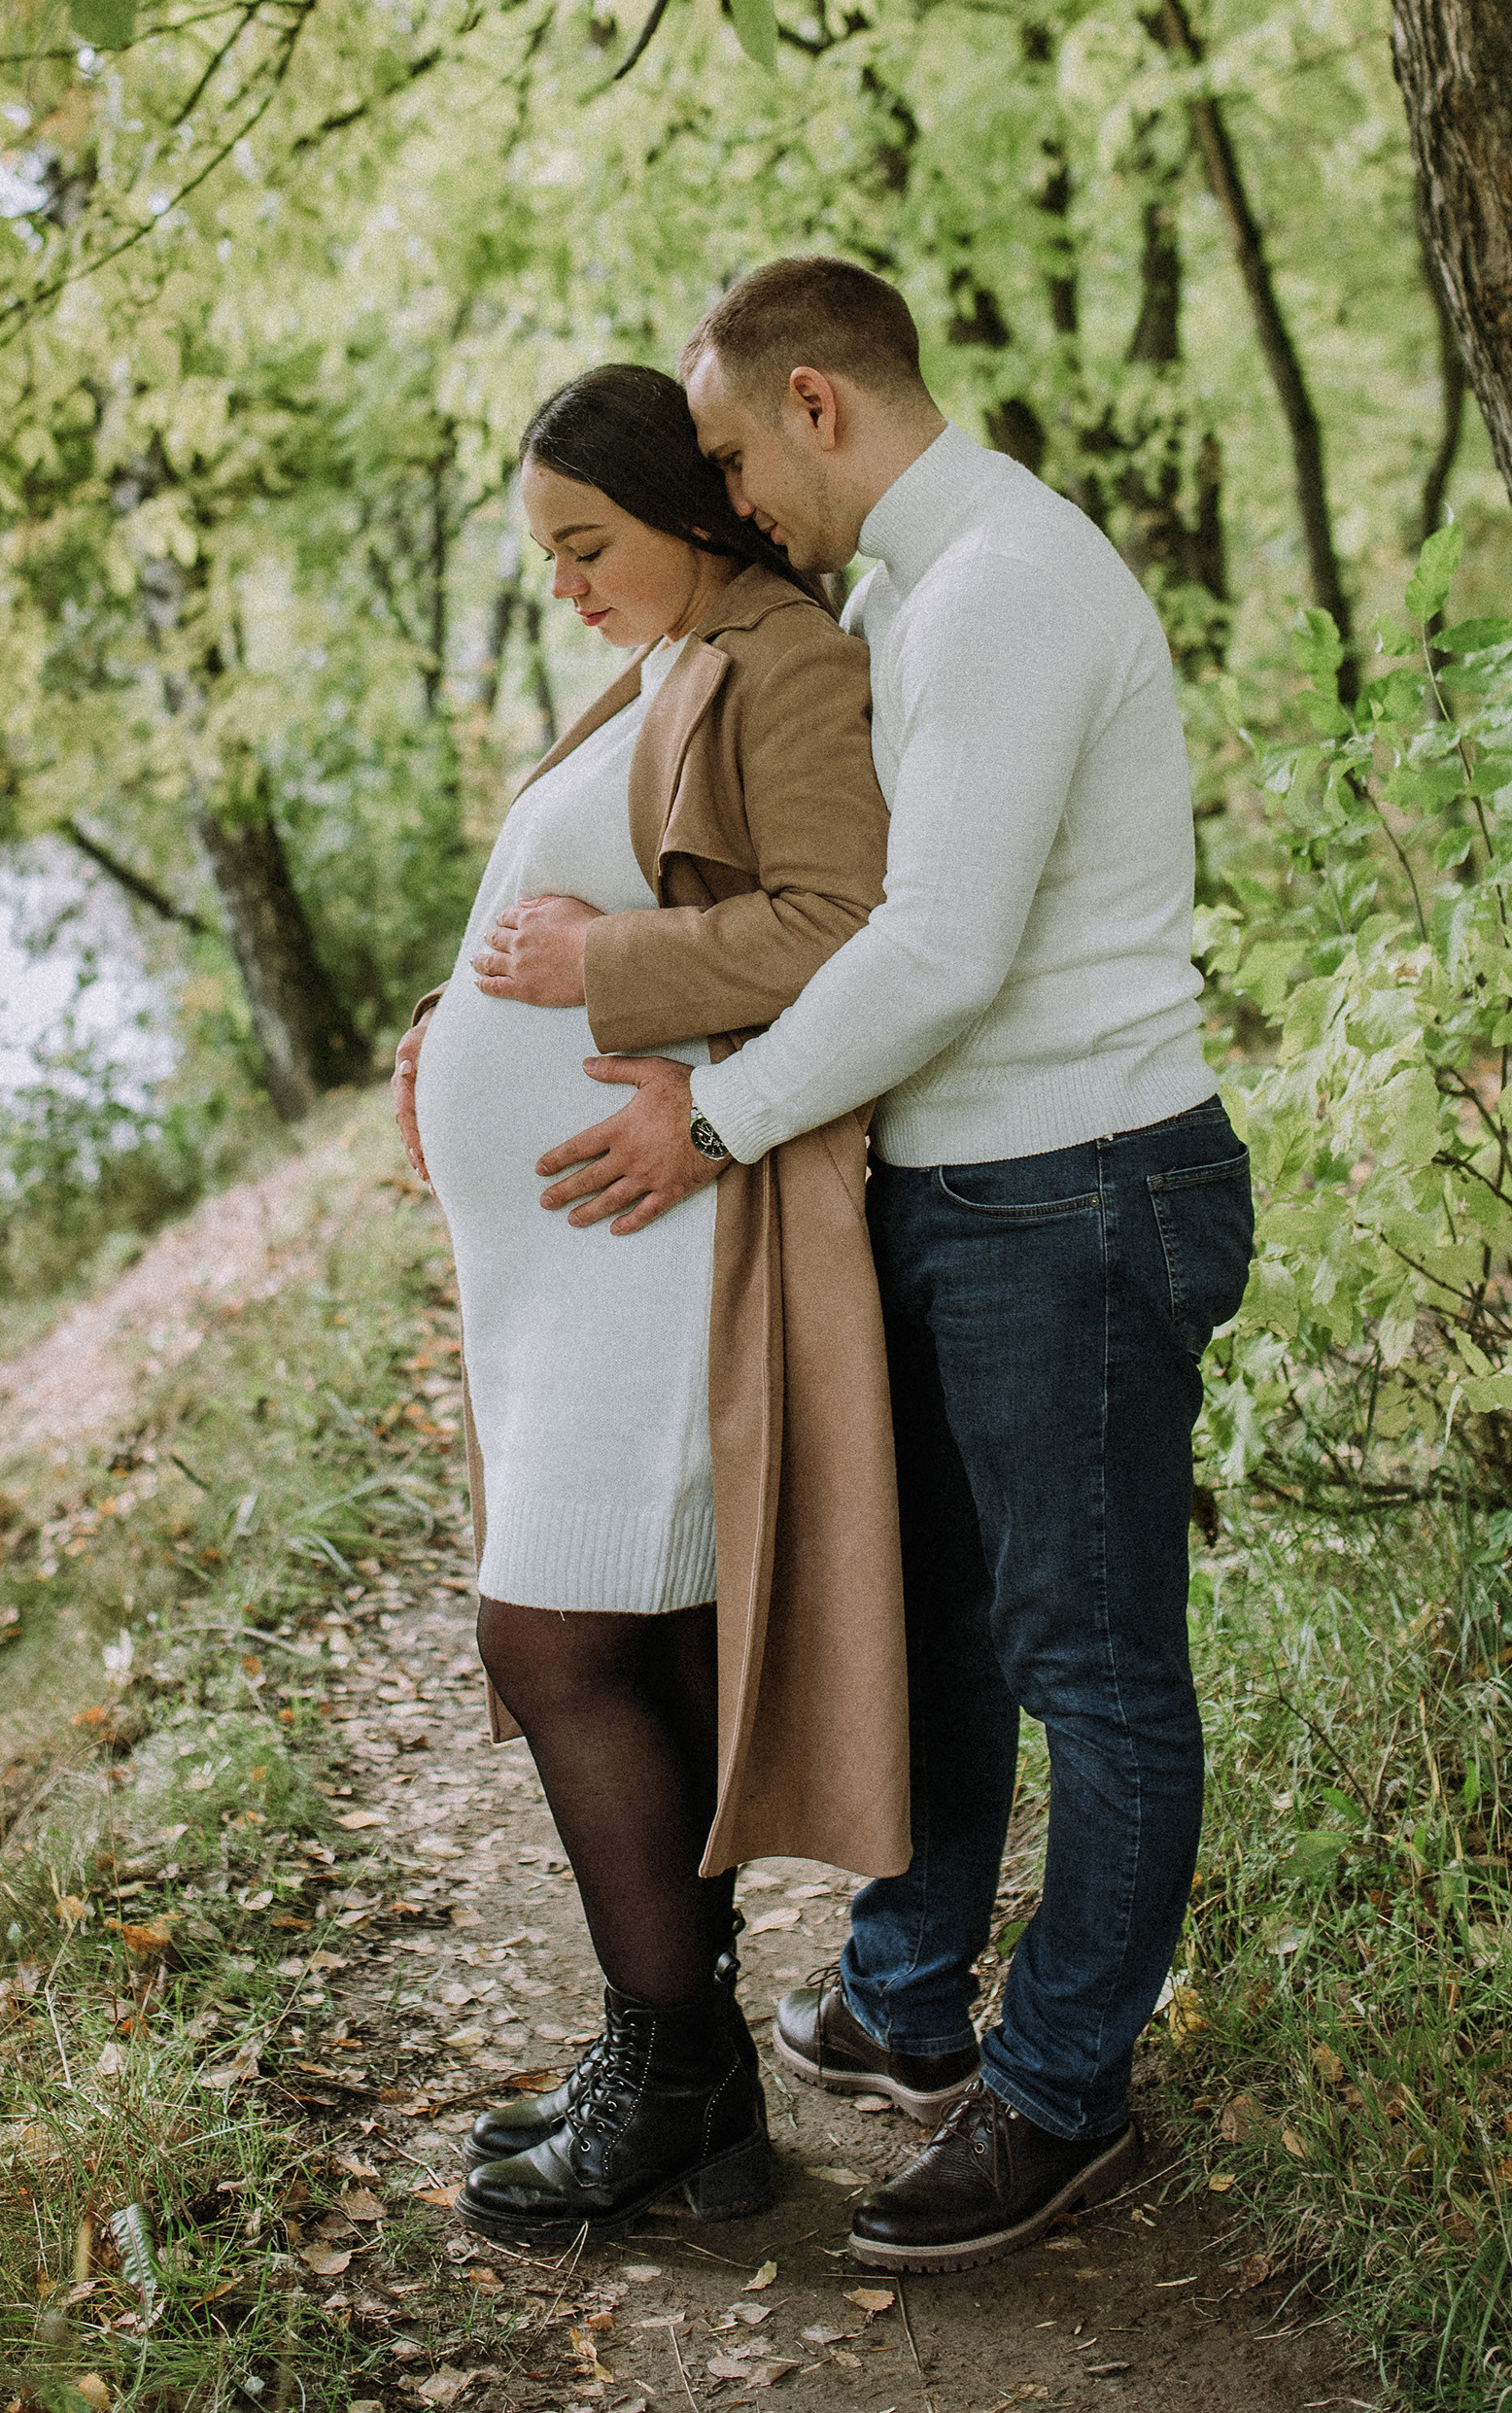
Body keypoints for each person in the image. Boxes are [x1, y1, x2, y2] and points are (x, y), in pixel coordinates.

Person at [520, 258, 1254, 2275]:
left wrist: (718, 1117)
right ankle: (908, 1991)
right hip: (966, 1186)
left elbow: (935, 947)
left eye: (738, 449)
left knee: (1096, 1668)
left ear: (819, 403)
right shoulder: (911, 598)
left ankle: (1058, 2092)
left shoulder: (1009, 586)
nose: (734, 493)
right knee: (948, 1624)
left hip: (1081, 1188)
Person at [393, 362, 915, 2255]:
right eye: (544, 553)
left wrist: (608, 985)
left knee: (552, 1643)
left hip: (652, 1245)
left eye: (583, 541)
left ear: (687, 508)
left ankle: (673, 2063)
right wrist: (452, 1029)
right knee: (623, 1646)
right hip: (577, 1264)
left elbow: (849, 927)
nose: (564, 583)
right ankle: (691, 2087)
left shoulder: (781, 657)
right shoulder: (681, 648)